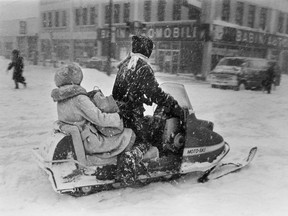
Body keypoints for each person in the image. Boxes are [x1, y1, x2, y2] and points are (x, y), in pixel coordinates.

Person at [112, 35, 184, 184]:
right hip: (132, 114)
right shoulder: (143, 66)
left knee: (150, 124)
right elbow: (155, 92)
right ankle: (129, 161)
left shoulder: (126, 64)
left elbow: (119, 91)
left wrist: (140, 97)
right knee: (146, 139)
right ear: (147, 50)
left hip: (121, 112)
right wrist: (171, 103)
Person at [51, 63, 136, 177]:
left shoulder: (62, 97)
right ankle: (123, 167)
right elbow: (100, 119)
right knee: (128, 134)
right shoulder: (79, 99)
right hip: (91, 141)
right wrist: (118, 117)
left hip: (81, 138)